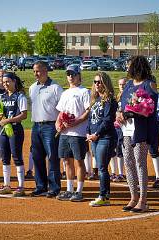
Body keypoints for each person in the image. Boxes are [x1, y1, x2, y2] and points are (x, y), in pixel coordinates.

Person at [116, 56, 158, 213]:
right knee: (128, 161)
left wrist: (136, 111)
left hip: (142, 129)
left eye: (130, 65)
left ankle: (143, 200)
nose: (127, 68)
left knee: (140, 162)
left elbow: (150, 108)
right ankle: (133, 197)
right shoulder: (128, 85)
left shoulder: (149, 84)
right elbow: (122, 105)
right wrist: (119, 113)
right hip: (127, 128)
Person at [55, 65, 90, 202]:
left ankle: (79, 191)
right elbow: (60, 112)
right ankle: (69, 190)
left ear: (79, 76)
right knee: (66, 161)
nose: (70, 76)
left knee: (79, 161)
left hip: (78, 133)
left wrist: (76, 122)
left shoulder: (84, 92)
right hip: (65, 133)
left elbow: (88, 111)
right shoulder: (65, 93)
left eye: (73, 74)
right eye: (68, 74)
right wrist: (57, 124)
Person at [29, 61, 63, 197]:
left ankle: (54, 187)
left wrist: (59, 123)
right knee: (37, 157)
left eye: (37, 71)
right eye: (34, 71)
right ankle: (41, 186)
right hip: (36, 126)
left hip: (50, 126)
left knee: (52, 157)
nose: (35, 74)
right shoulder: (32, 88)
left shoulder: (55, 87)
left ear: (45, 70)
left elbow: (63, 108)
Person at [87, 72, 118, 207]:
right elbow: (90, 119)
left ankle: (104, 196)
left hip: (105, 137)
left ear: (105, 83)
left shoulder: (110, 100)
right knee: (101, 167)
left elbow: (107, 120)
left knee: (102, 168)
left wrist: (97, 134)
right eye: (95, 82)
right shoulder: (95, 100)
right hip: (94, 138)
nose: (97, 84)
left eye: (100, 82)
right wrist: (88, 133)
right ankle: (104, 195)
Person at [0, 72, 28, 197]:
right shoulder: (2, 97)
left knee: (17, 157)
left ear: (14, 81)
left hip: (15, 129)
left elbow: (24, 115)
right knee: (5, 157)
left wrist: (8, 120)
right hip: (3, 130)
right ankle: (7, 185)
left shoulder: (20, 96)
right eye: (3, 82)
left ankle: (21, 186)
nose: (5, 84)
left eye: (8, 81)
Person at [110, 77, 127, 182]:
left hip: (124, 128)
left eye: (124, 84)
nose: (122, 86)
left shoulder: (129, 97)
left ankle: (121, 173)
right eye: (120, 84)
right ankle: (113, 172)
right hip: (115, 127)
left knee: (121, 150)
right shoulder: (117, 97)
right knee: (113, 149)